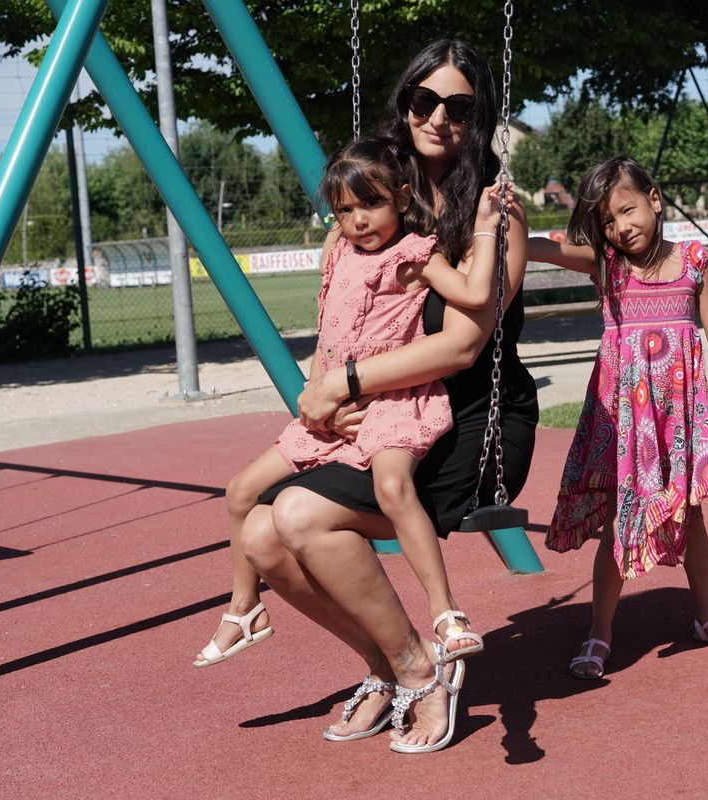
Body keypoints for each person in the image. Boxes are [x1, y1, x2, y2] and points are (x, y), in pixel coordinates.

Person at [235, 39, 537, 753]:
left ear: (479, 117)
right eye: (423, 100)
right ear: (404, 106)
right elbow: (340, 316)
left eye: (459, 106)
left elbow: (464, 344)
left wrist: (344, 384)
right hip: (385, 415)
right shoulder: (373, 204)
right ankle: (384, 664)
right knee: (258, 534)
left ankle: (422, 666)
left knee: (302, 515)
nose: (438, 117)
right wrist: (329, 385)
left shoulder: (498, 216)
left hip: (470, 420)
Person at [191, 135, 503, 670]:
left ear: (402, 200)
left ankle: (445, 613)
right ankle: (244, 608)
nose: (359, 220)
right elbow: (327, 335)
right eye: (345, 210)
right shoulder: (338, 251)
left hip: (392, 404)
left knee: (391, 485)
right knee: (241, 491)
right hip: (333, 410)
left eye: (372, 205)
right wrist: (315, 398)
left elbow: (474, 297)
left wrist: (488, 227)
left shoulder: (413, 254)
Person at [527, 154, 708, 681]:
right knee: (617, 518)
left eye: (627, 210)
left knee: (691, 513)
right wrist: (503, 224)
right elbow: (543, 248)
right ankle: (600, 632)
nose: (620, 227)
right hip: (624, 417)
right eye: (607, 220)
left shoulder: (694, 261)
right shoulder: (607, 265)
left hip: (677, 416)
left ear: (654, 199)